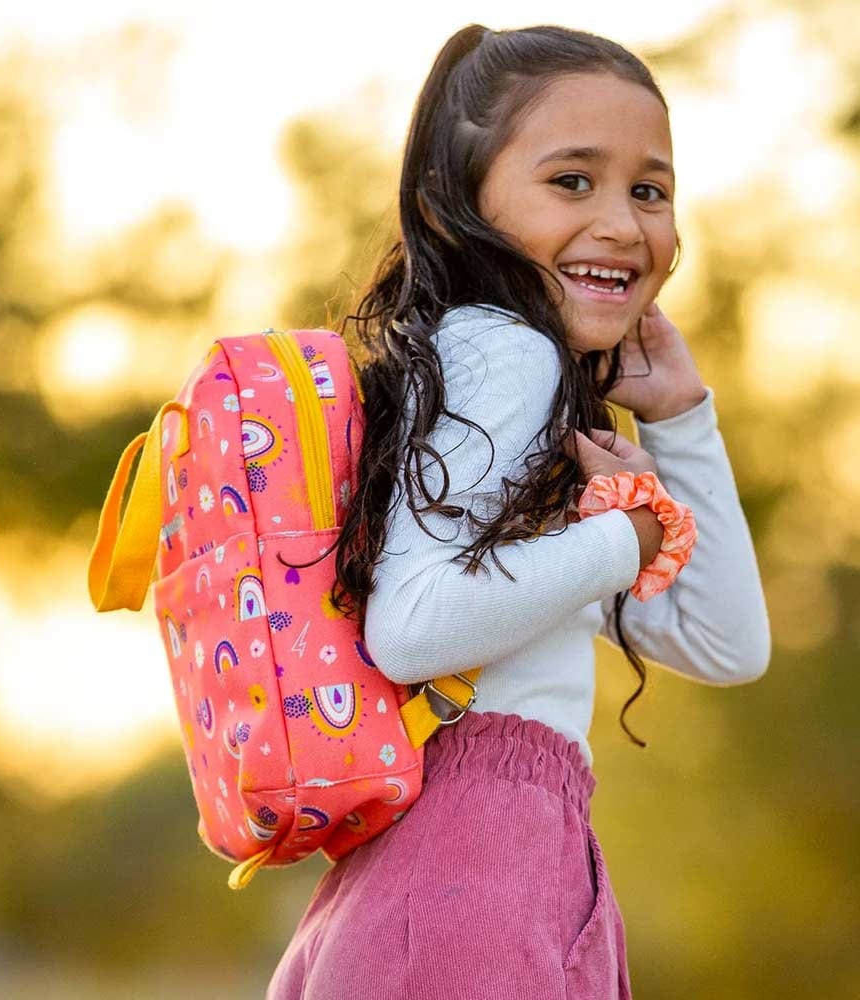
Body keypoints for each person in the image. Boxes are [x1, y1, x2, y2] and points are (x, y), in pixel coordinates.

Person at [266, 23, 770, 1000]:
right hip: (469, 882)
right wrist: (619, 538)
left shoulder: (502, 383)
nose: (624, 225)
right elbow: (412, 630)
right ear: (455, 202)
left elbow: (725, 643)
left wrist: (679, 421)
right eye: (571, 182)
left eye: (649, 190)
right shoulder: (508, 352)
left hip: (494, 868)